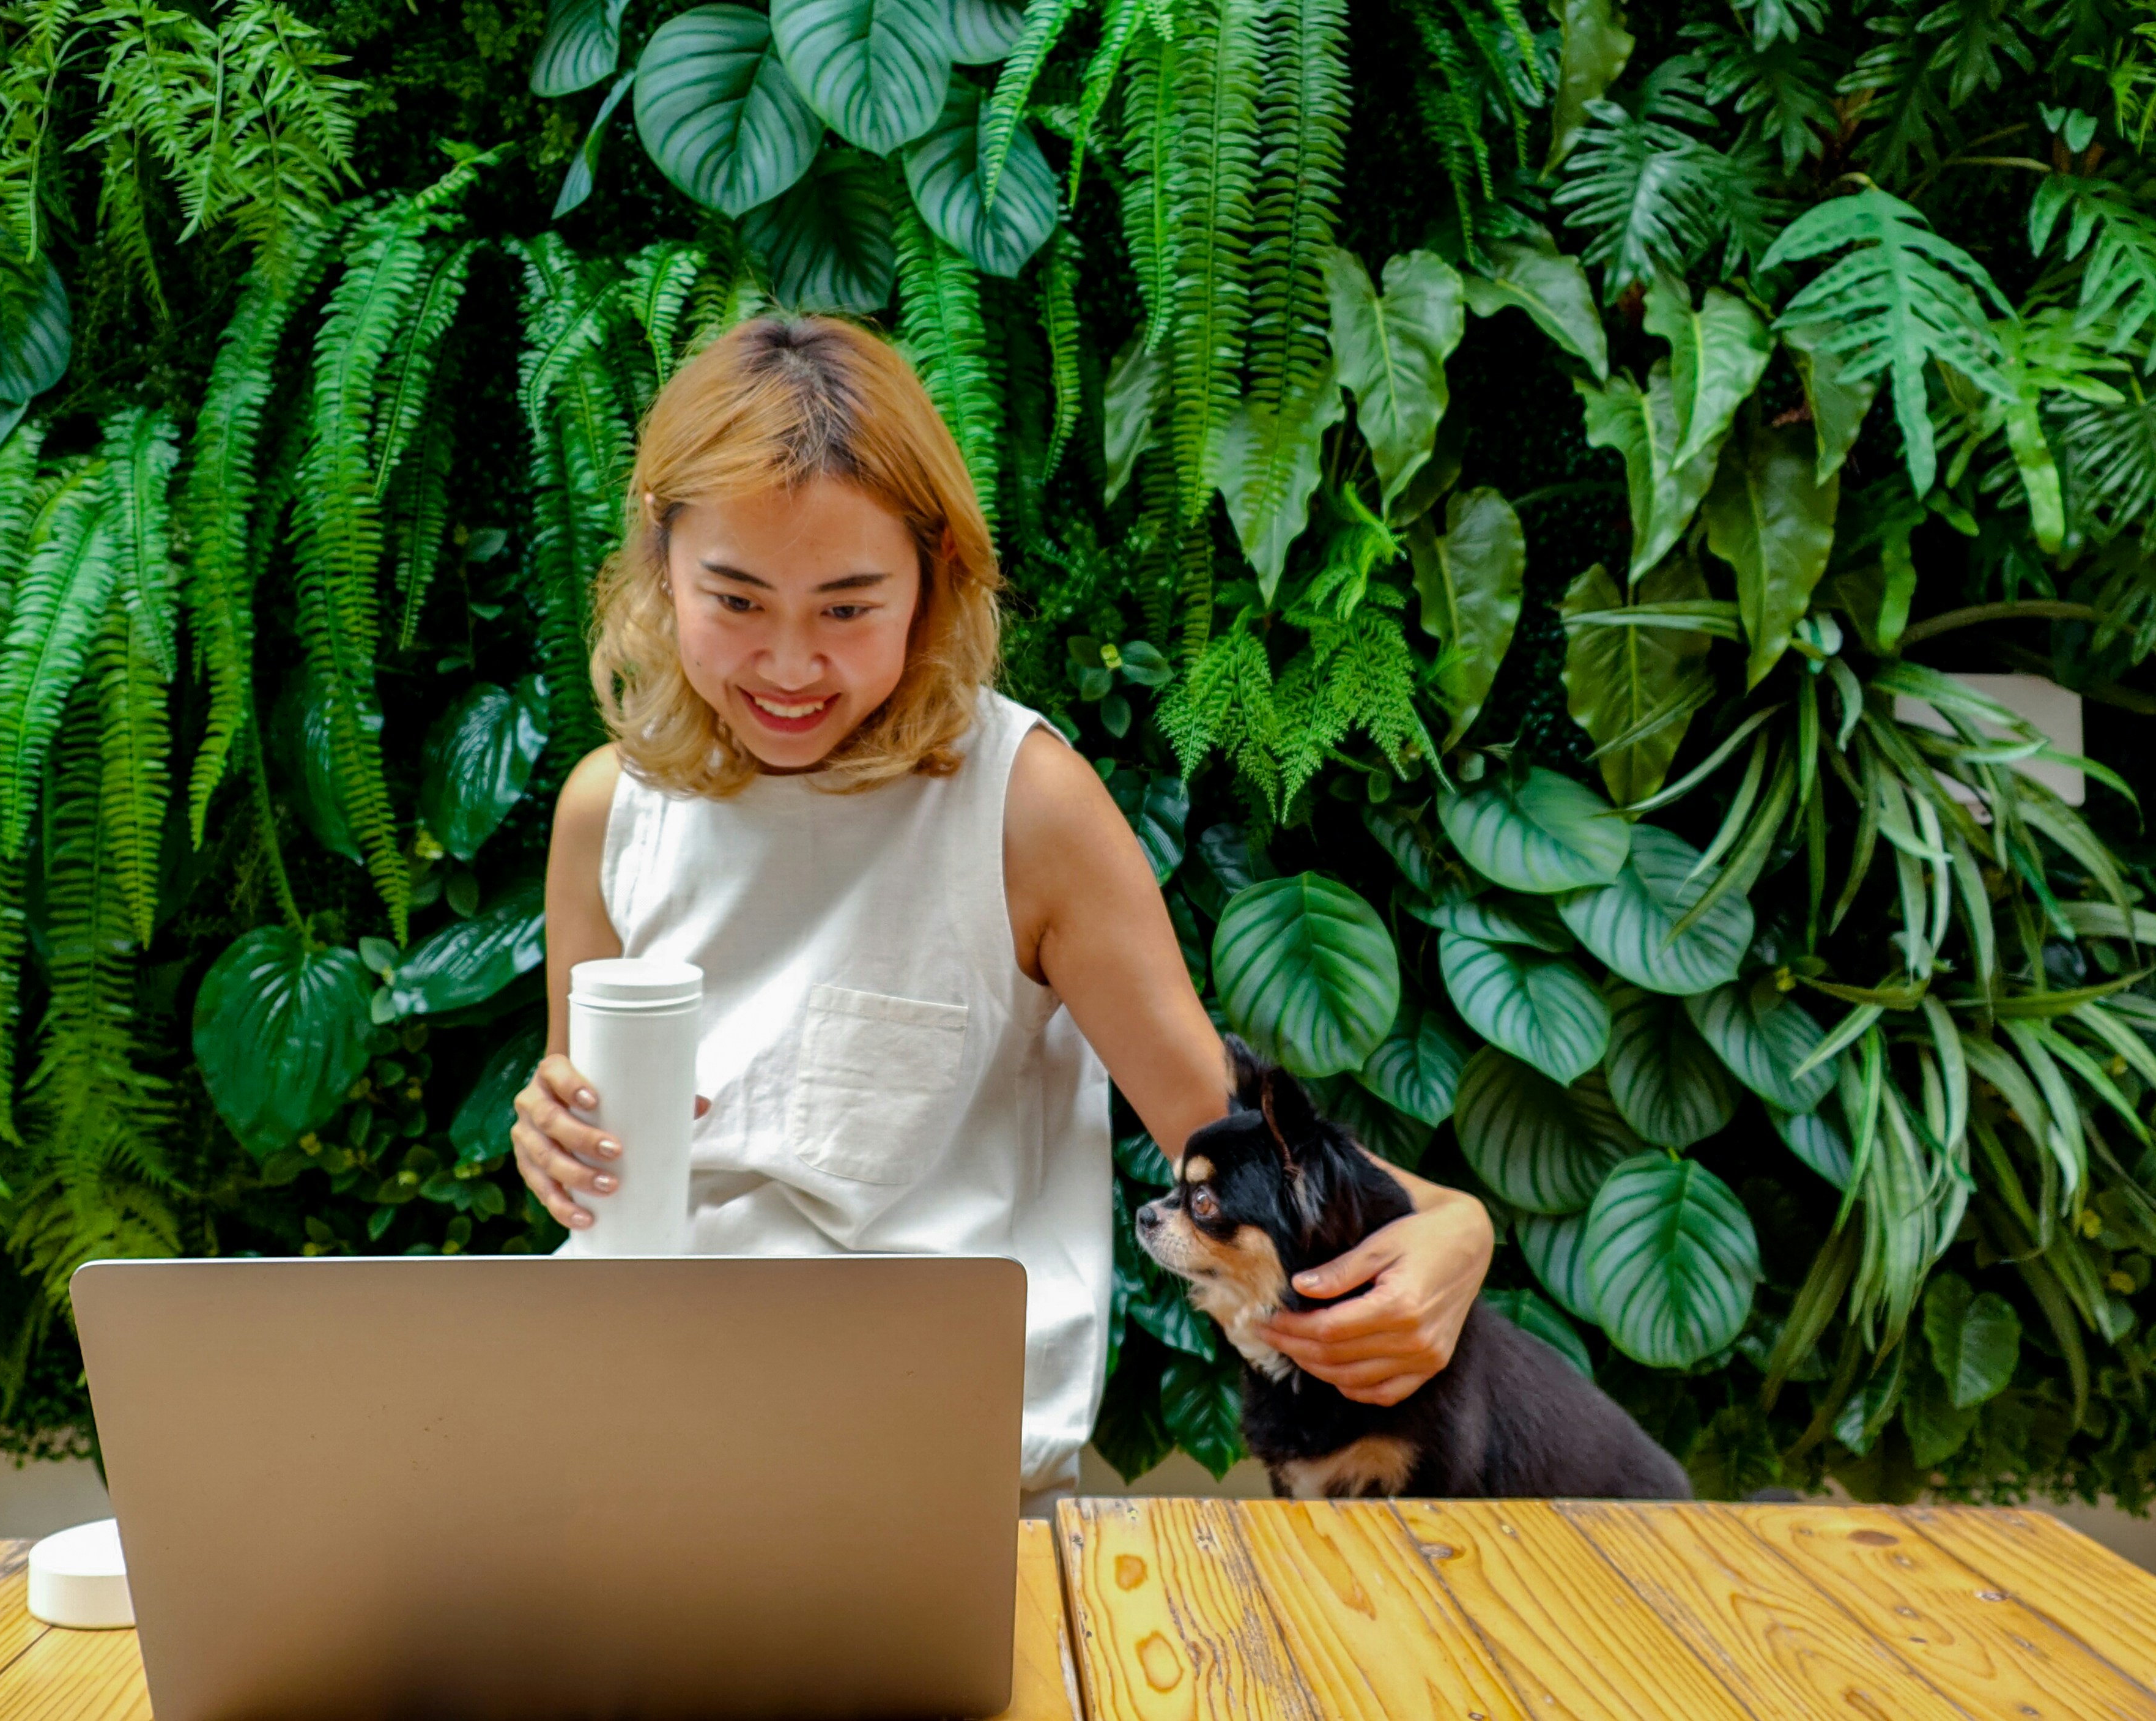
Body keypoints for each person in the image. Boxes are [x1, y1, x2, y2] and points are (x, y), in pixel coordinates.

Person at [508, 315, 1494, 1514]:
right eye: (736, 599)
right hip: (630, 1445)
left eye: (848, 608)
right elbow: (600, 1159)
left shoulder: (1023, 809)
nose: (786, 664)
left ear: (936, 577)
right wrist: (554, 1134)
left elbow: (1230, 1138)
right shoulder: (606, 810)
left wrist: (1454, 1225)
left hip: (925, 1485)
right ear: (660, 560)